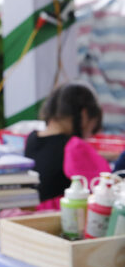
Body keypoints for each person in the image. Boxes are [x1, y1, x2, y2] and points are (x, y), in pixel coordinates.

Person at [24, 82, 110, 210]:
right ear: (85, 115)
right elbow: (106, 189)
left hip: (30, 215)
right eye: (93, 126)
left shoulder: (31, 138)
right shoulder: (74, 146)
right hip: (60, 220)